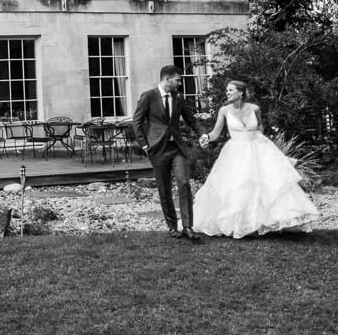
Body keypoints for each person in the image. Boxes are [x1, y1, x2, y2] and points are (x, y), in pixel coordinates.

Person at [193, 79, 320, 238]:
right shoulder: (224, 110)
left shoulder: (255, 108)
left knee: (265, 186)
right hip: (235, 153)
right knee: (238, 187)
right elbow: (215, 133)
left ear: (241, 92)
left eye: (231, 90)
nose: (228, 93)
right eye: (227, 90)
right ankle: (240, 224)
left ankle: (264, 222)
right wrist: (206, 138)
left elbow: (260, 127)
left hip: (257, 149)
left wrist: (263, 145)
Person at [133, 65, 205, 241]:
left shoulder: (179, 98)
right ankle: (172, 227)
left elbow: (192, 120)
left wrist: (202, 134)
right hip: (158, 149)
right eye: (177, 80)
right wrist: (144, 145)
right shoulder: (148, 96)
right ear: (167, 79)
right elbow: (137, 122)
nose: (180, 83)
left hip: (177, 149)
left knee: (184, 183)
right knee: (164, 189)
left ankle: (187, 226)